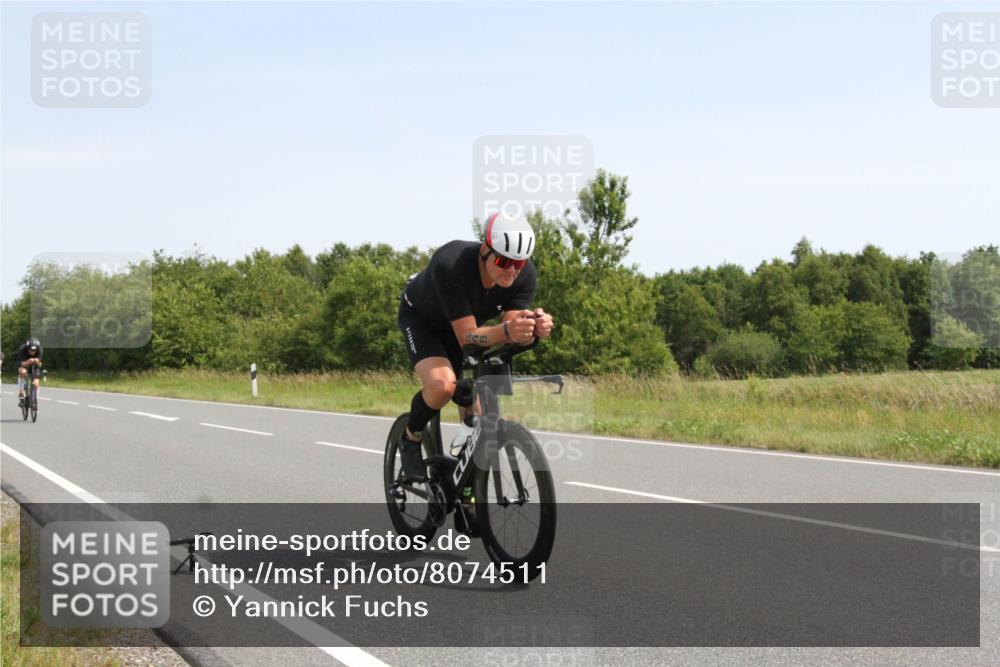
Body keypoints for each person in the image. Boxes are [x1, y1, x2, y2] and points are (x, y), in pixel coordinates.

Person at [396, 212, 555, 480]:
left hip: (466, 329)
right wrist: (508, 330)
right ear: (484, 250)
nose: (512, 270)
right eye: (504, 261)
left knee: (481, 418)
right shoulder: (451, 264)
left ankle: (464, 487)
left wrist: (533, 329)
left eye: (519, 262)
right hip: (424, 321)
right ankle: (410, 437)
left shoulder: (524, 275)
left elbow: (511, 330)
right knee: (442, 386)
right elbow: (468, 337)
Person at [17, 337, 44, 407]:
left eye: (34, 350)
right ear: (27, 348)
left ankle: (34, 401)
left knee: (36, 383)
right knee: (22, 372)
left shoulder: (40, 349)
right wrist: (29, 361)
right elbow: (22, 363)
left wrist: (37, 362)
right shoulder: (22, 349)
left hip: (34, 365)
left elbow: (40, 365)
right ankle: (21, 391)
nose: (32, 352)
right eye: (31, 350)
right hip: (24, 362)